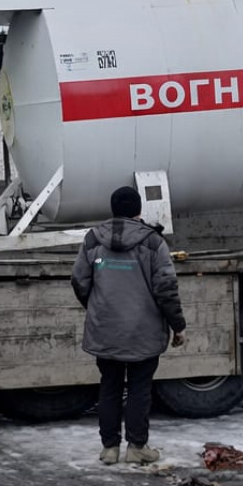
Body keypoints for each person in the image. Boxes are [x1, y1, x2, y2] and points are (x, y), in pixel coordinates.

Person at [71, 186, 187, 465]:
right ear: (139, 211)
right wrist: (178, 326)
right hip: (143, 331)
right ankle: (137, 447)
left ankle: (109, 448)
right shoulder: (153, 243)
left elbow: (79, 280)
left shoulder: (92, 239)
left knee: (109, 386)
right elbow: (166, 289)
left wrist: (98, 308)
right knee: (139, 388)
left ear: (112, 209)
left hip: (105, 329)